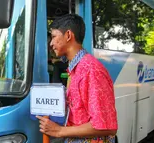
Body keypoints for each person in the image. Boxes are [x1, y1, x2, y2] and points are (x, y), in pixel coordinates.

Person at [36, 14, 118, 143]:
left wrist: (59, 131)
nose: (51, 43)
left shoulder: (91, 70)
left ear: (68, 35)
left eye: (53, 37)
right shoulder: (76, 68)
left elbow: (106, 126)